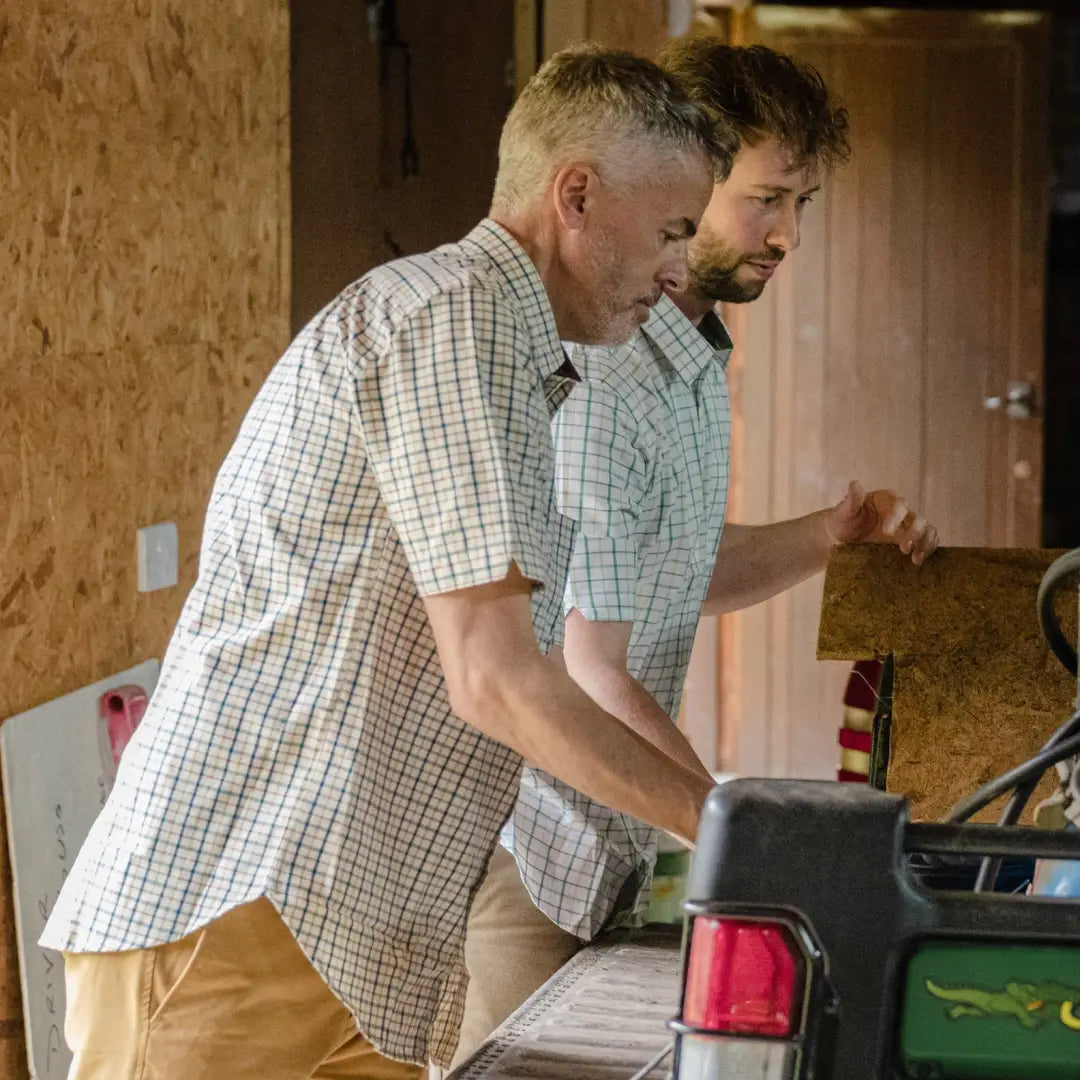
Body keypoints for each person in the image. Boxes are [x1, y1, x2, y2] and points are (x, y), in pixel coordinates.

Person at [40, 47, 725, 1080]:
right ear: (575, 194)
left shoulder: (508, 350)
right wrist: (734, 833)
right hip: (244, 917)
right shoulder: (454, 317)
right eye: (673, 231)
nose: (681, 272)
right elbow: (496, 679)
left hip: (345, 943)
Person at [450, 40, 940, 1066]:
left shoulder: (691, 358)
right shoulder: (607, 373)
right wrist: (739, 841)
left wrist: (827, 535)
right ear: (687, 179)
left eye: (803, 204)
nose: (787, 235)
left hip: (601, 841)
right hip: (525, 856)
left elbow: (667, 573)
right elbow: (590, 665)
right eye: (766, 200)